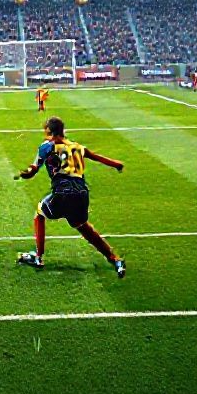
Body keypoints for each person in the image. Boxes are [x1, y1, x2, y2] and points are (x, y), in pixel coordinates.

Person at [14, 116, 125, 277]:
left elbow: (33, 170)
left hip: (63, 193)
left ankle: (38, 257)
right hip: (82, 193)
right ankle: (114, 259)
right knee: (84, 227)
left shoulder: (47, 146)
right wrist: (116, 164)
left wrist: (24, 174)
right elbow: (97, 157)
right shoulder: (78, 147)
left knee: (39, 214)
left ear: (50, 132)